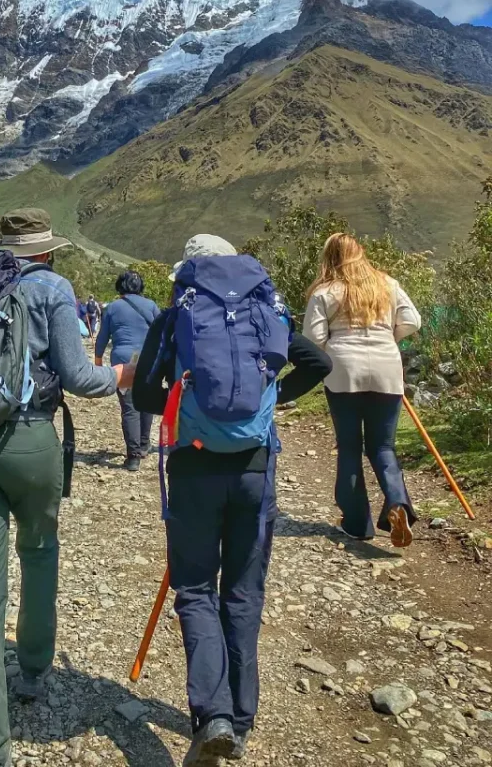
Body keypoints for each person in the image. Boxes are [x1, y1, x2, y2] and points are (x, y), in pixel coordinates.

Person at [0, 209, 135, 767]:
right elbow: (78, 377)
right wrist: (119, 377)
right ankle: (32, 670)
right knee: (40, 554)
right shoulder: (53, 286)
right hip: (32, 440)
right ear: (45, 251)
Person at [134, 235, 331, 765]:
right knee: (243, 592)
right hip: (254, 470)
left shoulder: (177, 314)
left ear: (189, 271)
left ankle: (214, 713)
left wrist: (183, 397)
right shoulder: (268, 312)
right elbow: (320, 363)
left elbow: (142, 396)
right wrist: (272, 400)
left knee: (195, 589)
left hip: (193, 468)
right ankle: (241, 718)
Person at [303, 232, 421, 547]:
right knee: (383, 447)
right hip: (386, 369)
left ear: (330, 257)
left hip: (343, 372)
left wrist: (337, 349)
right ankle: (397, 503)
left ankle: (357, 523)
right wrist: (387, 340)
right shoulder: (387, 284)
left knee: (350, 446)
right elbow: (413, 321)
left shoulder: (325, 291)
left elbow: (313, 338)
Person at [95, 270, 161, 471]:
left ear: (119, 286)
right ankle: (143, 444)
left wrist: (98, 362)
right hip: (149, 360)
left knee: (130, 407)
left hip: (123, 361)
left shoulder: (113, 308)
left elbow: (102, 338)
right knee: (147, 402)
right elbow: (162, 332)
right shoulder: (151, 305)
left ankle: (133, 457)